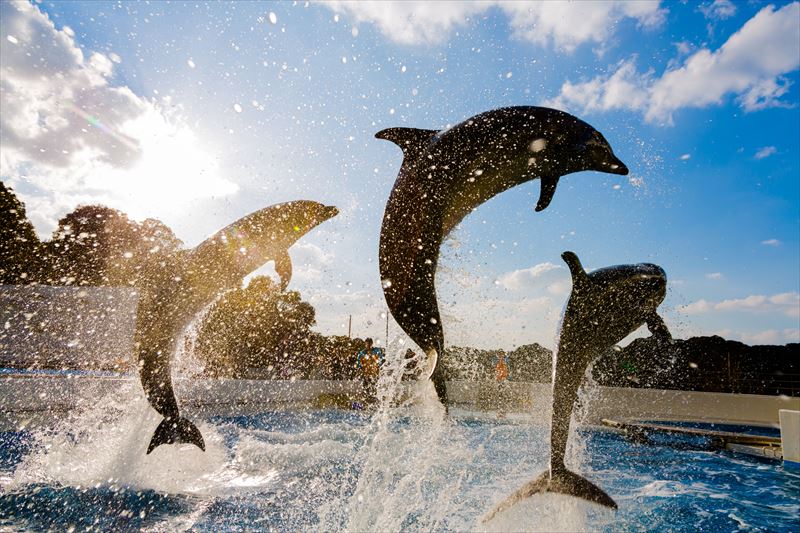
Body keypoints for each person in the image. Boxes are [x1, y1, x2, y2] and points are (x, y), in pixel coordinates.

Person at [356, 337, 384, 402]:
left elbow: (381, 359)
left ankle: (374, 402)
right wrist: (360, 369)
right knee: (366, 390)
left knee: (374, 389)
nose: (368, 345)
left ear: (372, 344)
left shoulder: (376, 351)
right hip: (366, 375)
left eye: (369, 344)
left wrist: (378, 364)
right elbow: (358, 364)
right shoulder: (362, 353)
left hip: (375, 374)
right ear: (365, 344)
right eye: (366, 344)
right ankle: (366, 402)